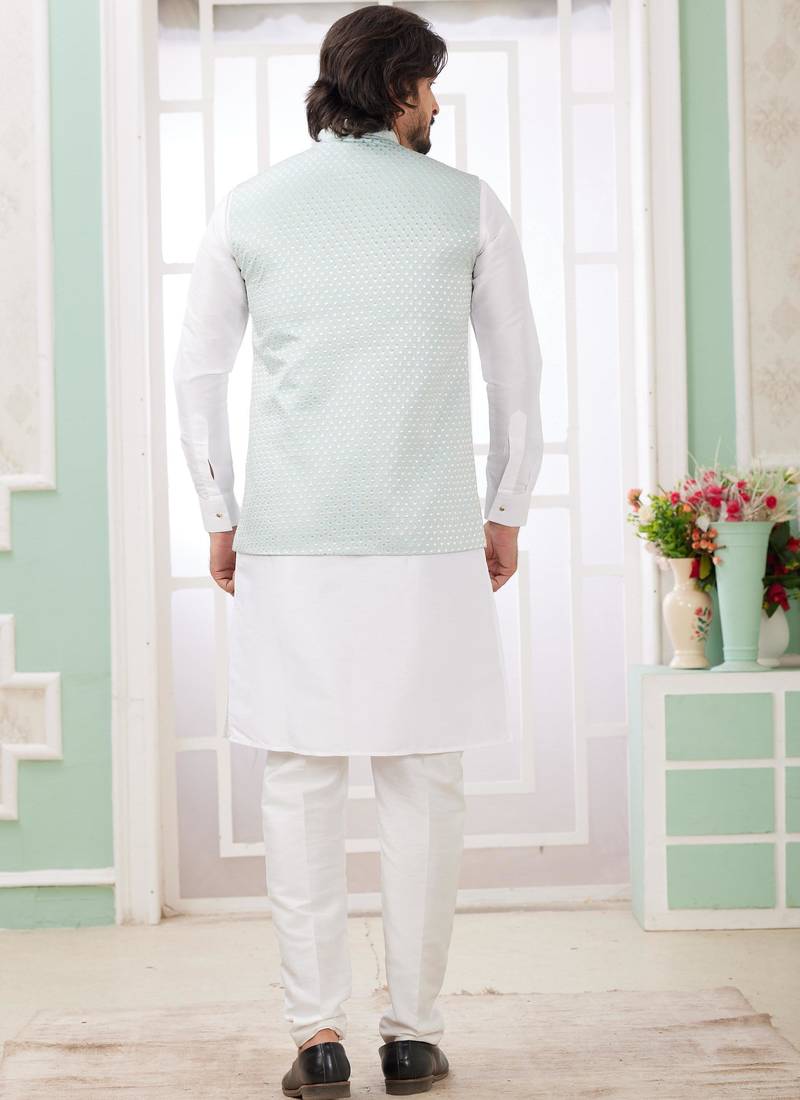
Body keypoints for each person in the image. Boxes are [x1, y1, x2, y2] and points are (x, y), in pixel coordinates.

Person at [173, 5, 543, 1096]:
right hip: (428, 540)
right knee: (423, 781)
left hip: (293, 540)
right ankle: (414, 1034)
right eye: (429, 85)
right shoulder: (468, 205)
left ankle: (318, 1038)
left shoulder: (250, 206)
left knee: (299, 782)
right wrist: (506, 505)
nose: (436, 104)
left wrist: (219, 508)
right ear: (396, 89)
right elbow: (515, 373)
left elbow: (198, 372)